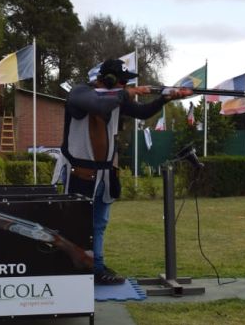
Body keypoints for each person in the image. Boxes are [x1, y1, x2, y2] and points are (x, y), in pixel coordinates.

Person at [59, 58, 190, 285]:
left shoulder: (114, 98)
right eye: (122, 82)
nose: (125, 86)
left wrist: (163, 99)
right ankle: (74, 270)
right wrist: (127, 93)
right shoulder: (80, 93)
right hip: (78, 173)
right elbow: (99, 104)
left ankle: (96, 267)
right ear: (110, 80)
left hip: (104, 174)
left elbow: (142, 112)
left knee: (99, 225)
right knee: (77, 225)